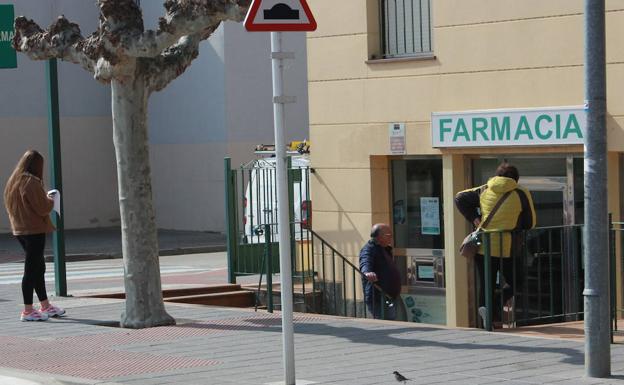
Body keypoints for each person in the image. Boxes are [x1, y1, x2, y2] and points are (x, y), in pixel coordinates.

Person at [454, 162, 536, 328]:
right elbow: (530, 223)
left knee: (486, 284)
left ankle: (487, 317)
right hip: (509, 248)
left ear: (497, 176)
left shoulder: (485, 189)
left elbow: (459, 197)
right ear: (516, 179)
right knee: (517, 281)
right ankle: (497, 303)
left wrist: (475, 219)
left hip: (484, 248)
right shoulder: (521, 193)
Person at [3, 150, 65, 321]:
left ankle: (45, 305)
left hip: (20, 229)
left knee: (38, 267)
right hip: (34, 229)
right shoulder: (31, 182)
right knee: (32, 270)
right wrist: (51, 199)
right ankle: (28, 310)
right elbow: (42, 208)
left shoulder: (14, 181)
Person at [359, 223, 401, 320]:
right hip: (378, 297)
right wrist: (367, 272)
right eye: (389, 236)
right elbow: (365, 261)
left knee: (391, 321)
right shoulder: (369, 249)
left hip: (388, 296)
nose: (391, 238)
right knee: (383, 323)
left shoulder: (384, 249)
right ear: (379, 237)